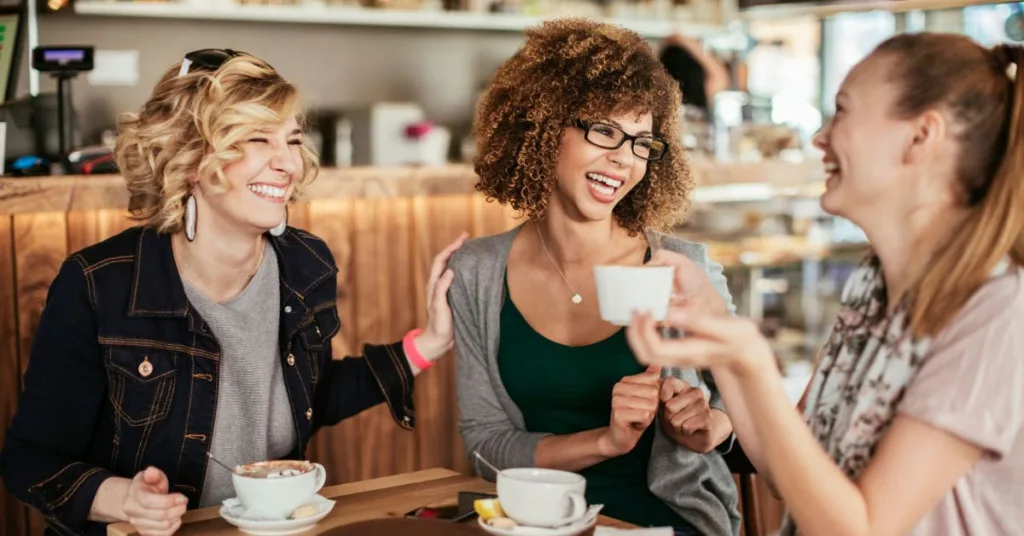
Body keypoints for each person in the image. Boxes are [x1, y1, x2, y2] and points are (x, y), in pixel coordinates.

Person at [0, 49, 465, 536]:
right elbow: (31, 460)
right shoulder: (100, 283)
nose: (286, 163)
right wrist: (123, 499)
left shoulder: (306, 266)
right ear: (191, 157)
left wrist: (429, 343)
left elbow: (310, 393)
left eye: (291, 140)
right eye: (257, 139)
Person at [626, 33, 1024, 536]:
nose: (820, 138)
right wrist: (715, 324)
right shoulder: (875, 286)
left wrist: (751, 361)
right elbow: (785, 472)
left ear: (921, 137)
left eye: (842, 111)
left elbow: (863, 528)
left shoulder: (997, 312)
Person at [450, 19, 739, 535]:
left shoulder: (683, 266)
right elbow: (485, 447)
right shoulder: (476, 272)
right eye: (604, 130)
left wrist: (704, 428)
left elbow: (742, 406)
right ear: (540, 127)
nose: (623, 159)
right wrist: (606, 441)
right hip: (535, 525)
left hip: (667, 525)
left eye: (641, 143)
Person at [659, 33, 730, 117]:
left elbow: (702, 55)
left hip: (668, 63)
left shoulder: (720, 79)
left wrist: (683, 40)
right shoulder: (717, 86)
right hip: (666, 75)